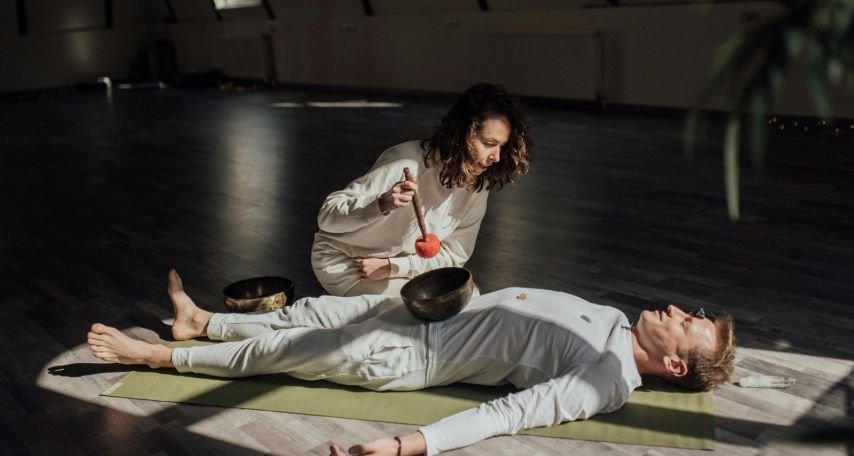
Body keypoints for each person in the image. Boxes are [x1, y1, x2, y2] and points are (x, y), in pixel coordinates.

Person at [87, 270, 736, 456]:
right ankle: (202, 322)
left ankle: (154, 355)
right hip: (430, 314)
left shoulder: (607, 377)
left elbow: (512, 413)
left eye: (688, 325)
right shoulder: (620, 325)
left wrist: (407, 445)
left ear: (676, 367)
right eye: (687, 312)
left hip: (405, 354)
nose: (677, 310)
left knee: (278, 353)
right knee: (306, 313)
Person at [312, 82, 534, 297]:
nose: (496, 157)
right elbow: (327, 217)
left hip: (392, 268)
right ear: (464, 134)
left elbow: (454, 255)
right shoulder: (405, 162)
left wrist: (395, 267)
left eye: (502, 146)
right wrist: (380, 204)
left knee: (471, 299)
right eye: (488, 144)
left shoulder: (478, 185)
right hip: (346, 264)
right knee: (419, 313)